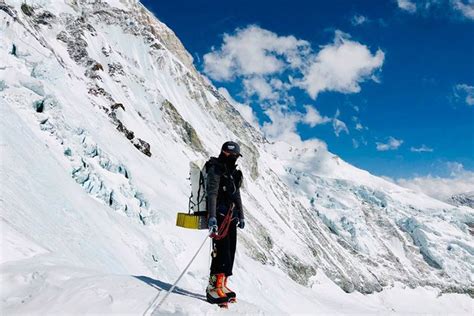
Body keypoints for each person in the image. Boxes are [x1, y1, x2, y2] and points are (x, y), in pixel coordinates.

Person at [205, 141, 245, 305]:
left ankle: (222, 285)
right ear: (225, 153)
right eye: (232, 155)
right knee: (220, 252)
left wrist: (241, 216)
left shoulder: (234, 173)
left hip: (232, 217)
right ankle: (213, 288)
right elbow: (212, 193)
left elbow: (237, 196)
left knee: (229, 252)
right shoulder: (216, 168)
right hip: (220, 217)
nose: (234, 158)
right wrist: (212, 217)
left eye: (235, 156)